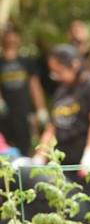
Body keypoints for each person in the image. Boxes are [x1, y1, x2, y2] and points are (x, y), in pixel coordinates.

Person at [35, 43, 90, 217]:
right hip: (66, 167)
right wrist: (40, 156)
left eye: (59, 71)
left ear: (74, 64)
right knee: (67, 213)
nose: (56, 76)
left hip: (89, 168)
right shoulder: (61, 92)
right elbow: (52, 127)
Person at [0, 24, 48, 156]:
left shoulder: (27, 61)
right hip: (4, 114)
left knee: (26, 145)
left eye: (14, 34)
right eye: (7, 34)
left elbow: (35, 86)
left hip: (23, 112)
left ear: (19, 38)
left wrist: (41, 109)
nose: (11, 38)